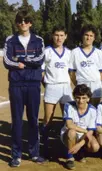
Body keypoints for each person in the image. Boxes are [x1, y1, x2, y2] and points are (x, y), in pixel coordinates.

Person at [3, 9, 46, 167]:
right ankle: (16, 155)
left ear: (30, 23)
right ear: (17, 23)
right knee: (17, 120)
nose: (23, 23)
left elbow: (40, 60)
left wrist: (21, 60)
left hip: (33, 84)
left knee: (33, 120)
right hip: (16, 84)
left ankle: (34, 153)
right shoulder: (10, 40)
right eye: (20, 21)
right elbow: (7, 61)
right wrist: (21, 62)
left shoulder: (38, 40)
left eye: (26, 21)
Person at [41, 25, 73, 158]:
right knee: (48, 119)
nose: (59, 38)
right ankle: (44, 146)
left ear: (65, 36)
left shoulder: (69, 52)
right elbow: (41, 71)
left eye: (61, 35)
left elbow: (71, 72)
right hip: (52, 87)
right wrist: (48, 84)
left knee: (68, 118)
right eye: (56, 35)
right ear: (52, 36)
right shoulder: (46, 51)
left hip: (65, 87)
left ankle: (67, 147)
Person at [61, 84, 100, 170]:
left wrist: (79, 145)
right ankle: (70, 157)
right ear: (74, 97)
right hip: (68, 135)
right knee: (72, 131)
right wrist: (85, 131)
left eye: (83, 98)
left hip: (84, 136)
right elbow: (69, 125)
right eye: (78, 97)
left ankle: (80, 152)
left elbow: (90, 131)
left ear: (88, 99)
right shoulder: (68, 105)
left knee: (95, 147)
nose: (80, 101)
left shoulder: (93, 110)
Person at [69, 24, 102, 107]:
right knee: (81, 111)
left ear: (94, 37)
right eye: (86, 35)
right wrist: (79, 83)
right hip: (82, 85)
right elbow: (72, 73)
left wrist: (95, 81)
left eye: (91, 36)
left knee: (95, 111)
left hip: (95, 86)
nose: (88, 38)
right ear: (82, 36)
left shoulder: (99, 53)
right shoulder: (75, 52)